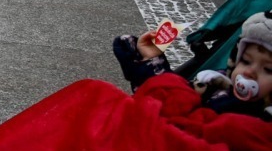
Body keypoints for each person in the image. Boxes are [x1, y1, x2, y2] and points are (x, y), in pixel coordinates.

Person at [114, 12, 272, 121]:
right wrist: (151, 60)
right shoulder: (212, 86)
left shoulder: (262, 128)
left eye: (268, 69)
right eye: (245, 61)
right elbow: (171, 100)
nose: (249, 72)